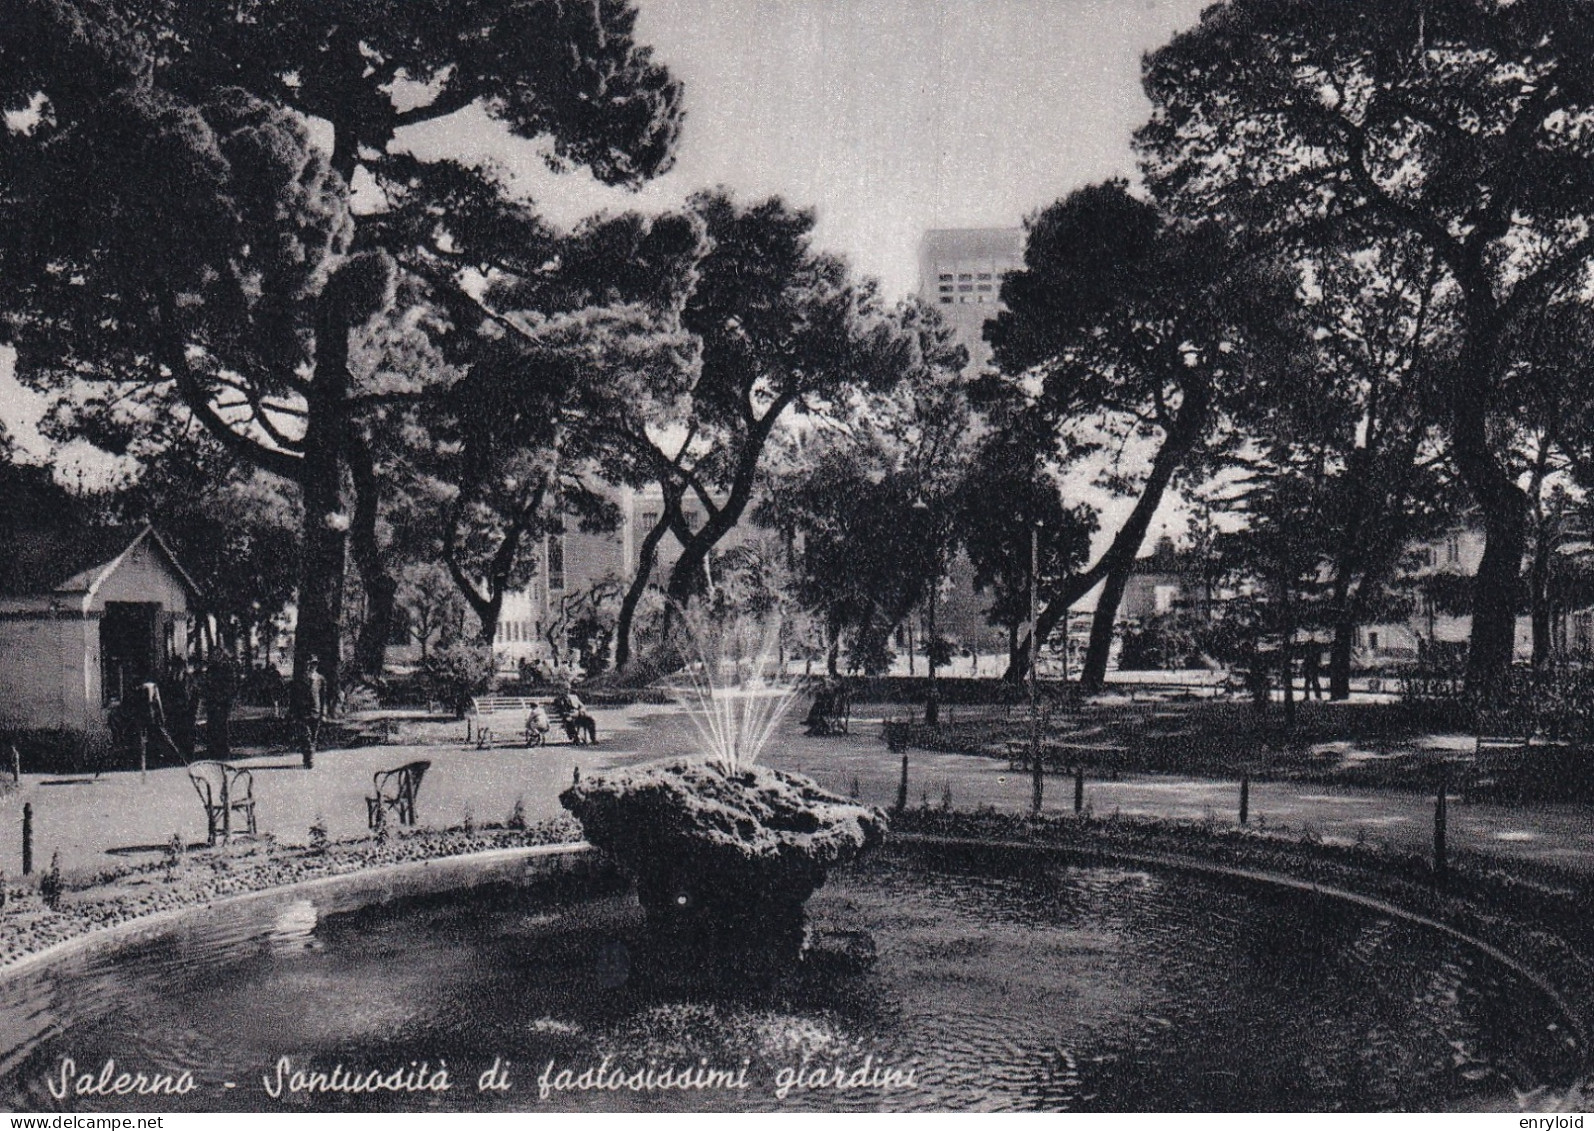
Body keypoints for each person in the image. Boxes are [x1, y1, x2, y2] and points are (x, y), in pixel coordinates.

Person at [202, 648, 240, 759]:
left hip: (223, 702)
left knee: (221, 727)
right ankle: (212, 751)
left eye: (217, 654)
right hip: (212, 702)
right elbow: (207, 684)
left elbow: (231, 685)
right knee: (211, 726)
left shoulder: (227, 668)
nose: (215, 657)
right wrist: (208, 696)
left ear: (221, 655)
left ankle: (223, 751)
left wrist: (224, 698)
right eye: (213, 654)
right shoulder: (211, 669)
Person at [295, 656, 328, 769]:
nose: (312, 666)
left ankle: (308, 756)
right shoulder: (300, 679)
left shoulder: (320, 679)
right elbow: (295, 697)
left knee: (313, 736)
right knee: (306, 736)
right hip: (303, 713)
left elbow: (323, 697)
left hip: (316, 711)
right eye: (310, 664)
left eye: (314, 664)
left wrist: (323, 713)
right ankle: (309, 758)